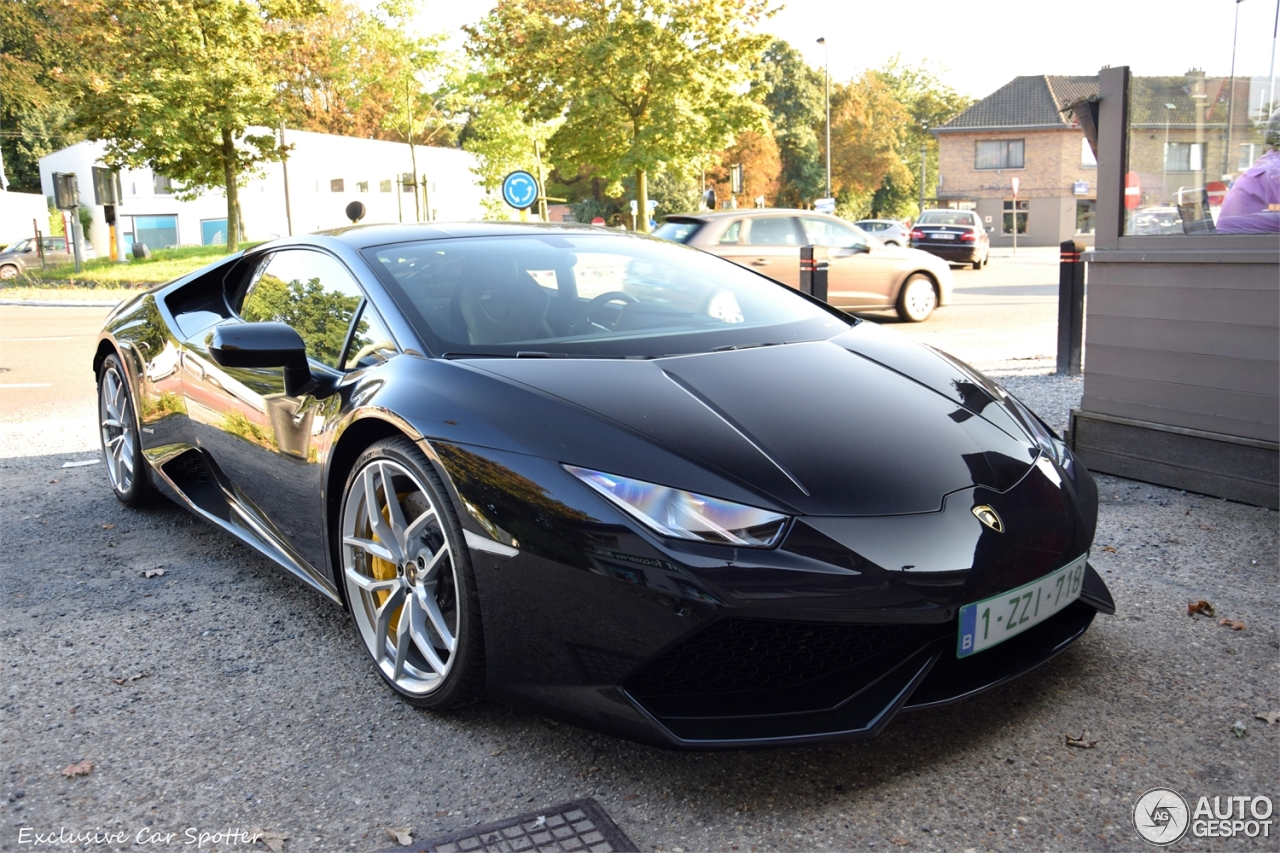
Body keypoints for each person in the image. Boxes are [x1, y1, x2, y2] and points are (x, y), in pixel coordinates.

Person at [1217, 109, 1280, 234]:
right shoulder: (1276, 170)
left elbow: (1275, 208)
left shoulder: (1270, 162)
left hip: (1242, 246)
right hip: (1249, 248)